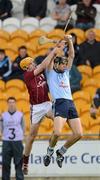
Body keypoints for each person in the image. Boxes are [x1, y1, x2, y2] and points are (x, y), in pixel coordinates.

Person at [43, 35, 83, 168]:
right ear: (56, 64)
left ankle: (61, 151)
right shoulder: (50, 72)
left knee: (78, 134)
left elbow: (71, 55)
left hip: (70, 103)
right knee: (58, 133)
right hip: (59, 103)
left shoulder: (65, 72)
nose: (65, 66)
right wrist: (57, 48)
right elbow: (49, 59)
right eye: (63, 64)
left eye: (66, 64)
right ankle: (49, 152)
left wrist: (70, 41)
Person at [19, 47, 60, 175]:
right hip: (36, 108)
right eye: (31, 63)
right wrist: (52, 52)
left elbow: (47, 66)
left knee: (59, 120)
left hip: (47, 104)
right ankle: (25, 162)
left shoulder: (40, 73)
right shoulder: (27, 76)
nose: (33, 63)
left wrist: (53, 54)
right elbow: (43, 64)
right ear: (26, 67)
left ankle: (51, 146)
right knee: (31, 137)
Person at [0, 97, 25, 180]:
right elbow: (1, 128)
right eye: (10, 102)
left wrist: (21, 136)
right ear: (7, 104)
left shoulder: (20, 115)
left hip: (17, 141)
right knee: (5, 163)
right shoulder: (3, 115)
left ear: (15, 103)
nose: (11, 104)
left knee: (19, 162)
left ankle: (20, 178)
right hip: (6, 141)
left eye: (13, 102)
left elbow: (23, 127)